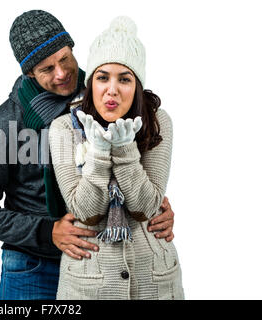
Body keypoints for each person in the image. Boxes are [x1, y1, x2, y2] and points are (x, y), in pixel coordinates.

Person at [0, 10, 176, 300]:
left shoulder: (108, 97)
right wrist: (47, 232)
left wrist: (155, 209)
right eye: (46, 68)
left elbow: (134, 174)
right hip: (33, 267)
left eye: (64, 59)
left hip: (103, 259)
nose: (61, 73)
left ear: (73, 49)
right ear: (28, 73)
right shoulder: (5, 126)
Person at [49, 16, 184, 299]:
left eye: (124, 79)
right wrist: (98, 153)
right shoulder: (64, 128)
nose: (112, 89)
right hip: (87, 283)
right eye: (102, 77)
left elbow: (145, 207)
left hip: (154, 281)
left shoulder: (158, 121)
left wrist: (124, 150)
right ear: (91, 83)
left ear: (137, 85)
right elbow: (86, 212)